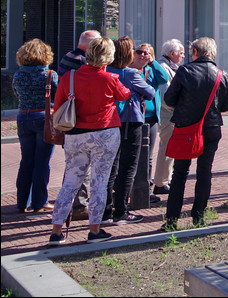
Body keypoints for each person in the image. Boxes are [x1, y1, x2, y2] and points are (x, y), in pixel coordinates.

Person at [47, 37, 130, 246]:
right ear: (108, 57)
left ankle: (56, 232)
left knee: (70, 183)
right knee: (100, 183)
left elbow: (58, 106)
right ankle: (94, 230)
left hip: (76, 134)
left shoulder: (70, 77)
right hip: (105, 132)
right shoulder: (110, 78)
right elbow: (124, 95)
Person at [162, 37, 228, 231]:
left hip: (186, 128)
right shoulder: (221, 74)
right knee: (204, 172)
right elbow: (226, 105)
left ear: (195, 52)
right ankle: (199, 217)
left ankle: (171, 219)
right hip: (211, 128)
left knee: (179, 173)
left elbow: (169, 98)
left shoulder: (185, 71)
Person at [105, 36, 155, 224]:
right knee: (127, 168)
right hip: (129, 122)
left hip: (109, 122)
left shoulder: (106, 70)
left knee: (110, 167)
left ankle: (105, 210)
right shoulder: (130, 73)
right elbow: (150, 92)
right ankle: (120, 211)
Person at [12, 39, 58, 214]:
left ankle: (22, 201)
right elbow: (56, 95)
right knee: (42, 162)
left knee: (26, 161)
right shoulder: (48, 74)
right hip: (43, 117)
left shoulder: (18, 75)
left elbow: (17, 94)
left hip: (23, 116)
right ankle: (40, 201)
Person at [136, 43, 170, 205]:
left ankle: (146, 189)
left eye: (146, 53)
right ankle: (130, 188)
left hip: (150, 119)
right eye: (139, 52)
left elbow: (164, 78)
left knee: (148, 156)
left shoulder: (152, 70)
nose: (142, 55)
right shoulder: (131, 70)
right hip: (134, 119)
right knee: (133, 156)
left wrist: (152, 63)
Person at [152, 39, 185, 195]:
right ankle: (161, 182)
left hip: (171, 114)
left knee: (171, 148)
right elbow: (166, 96)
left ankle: (166, 179)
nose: (183, 56)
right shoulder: (164, 68)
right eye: (181, 53)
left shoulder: (170, 66)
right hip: (168, 115)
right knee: (167, 148)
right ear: (172, 54)